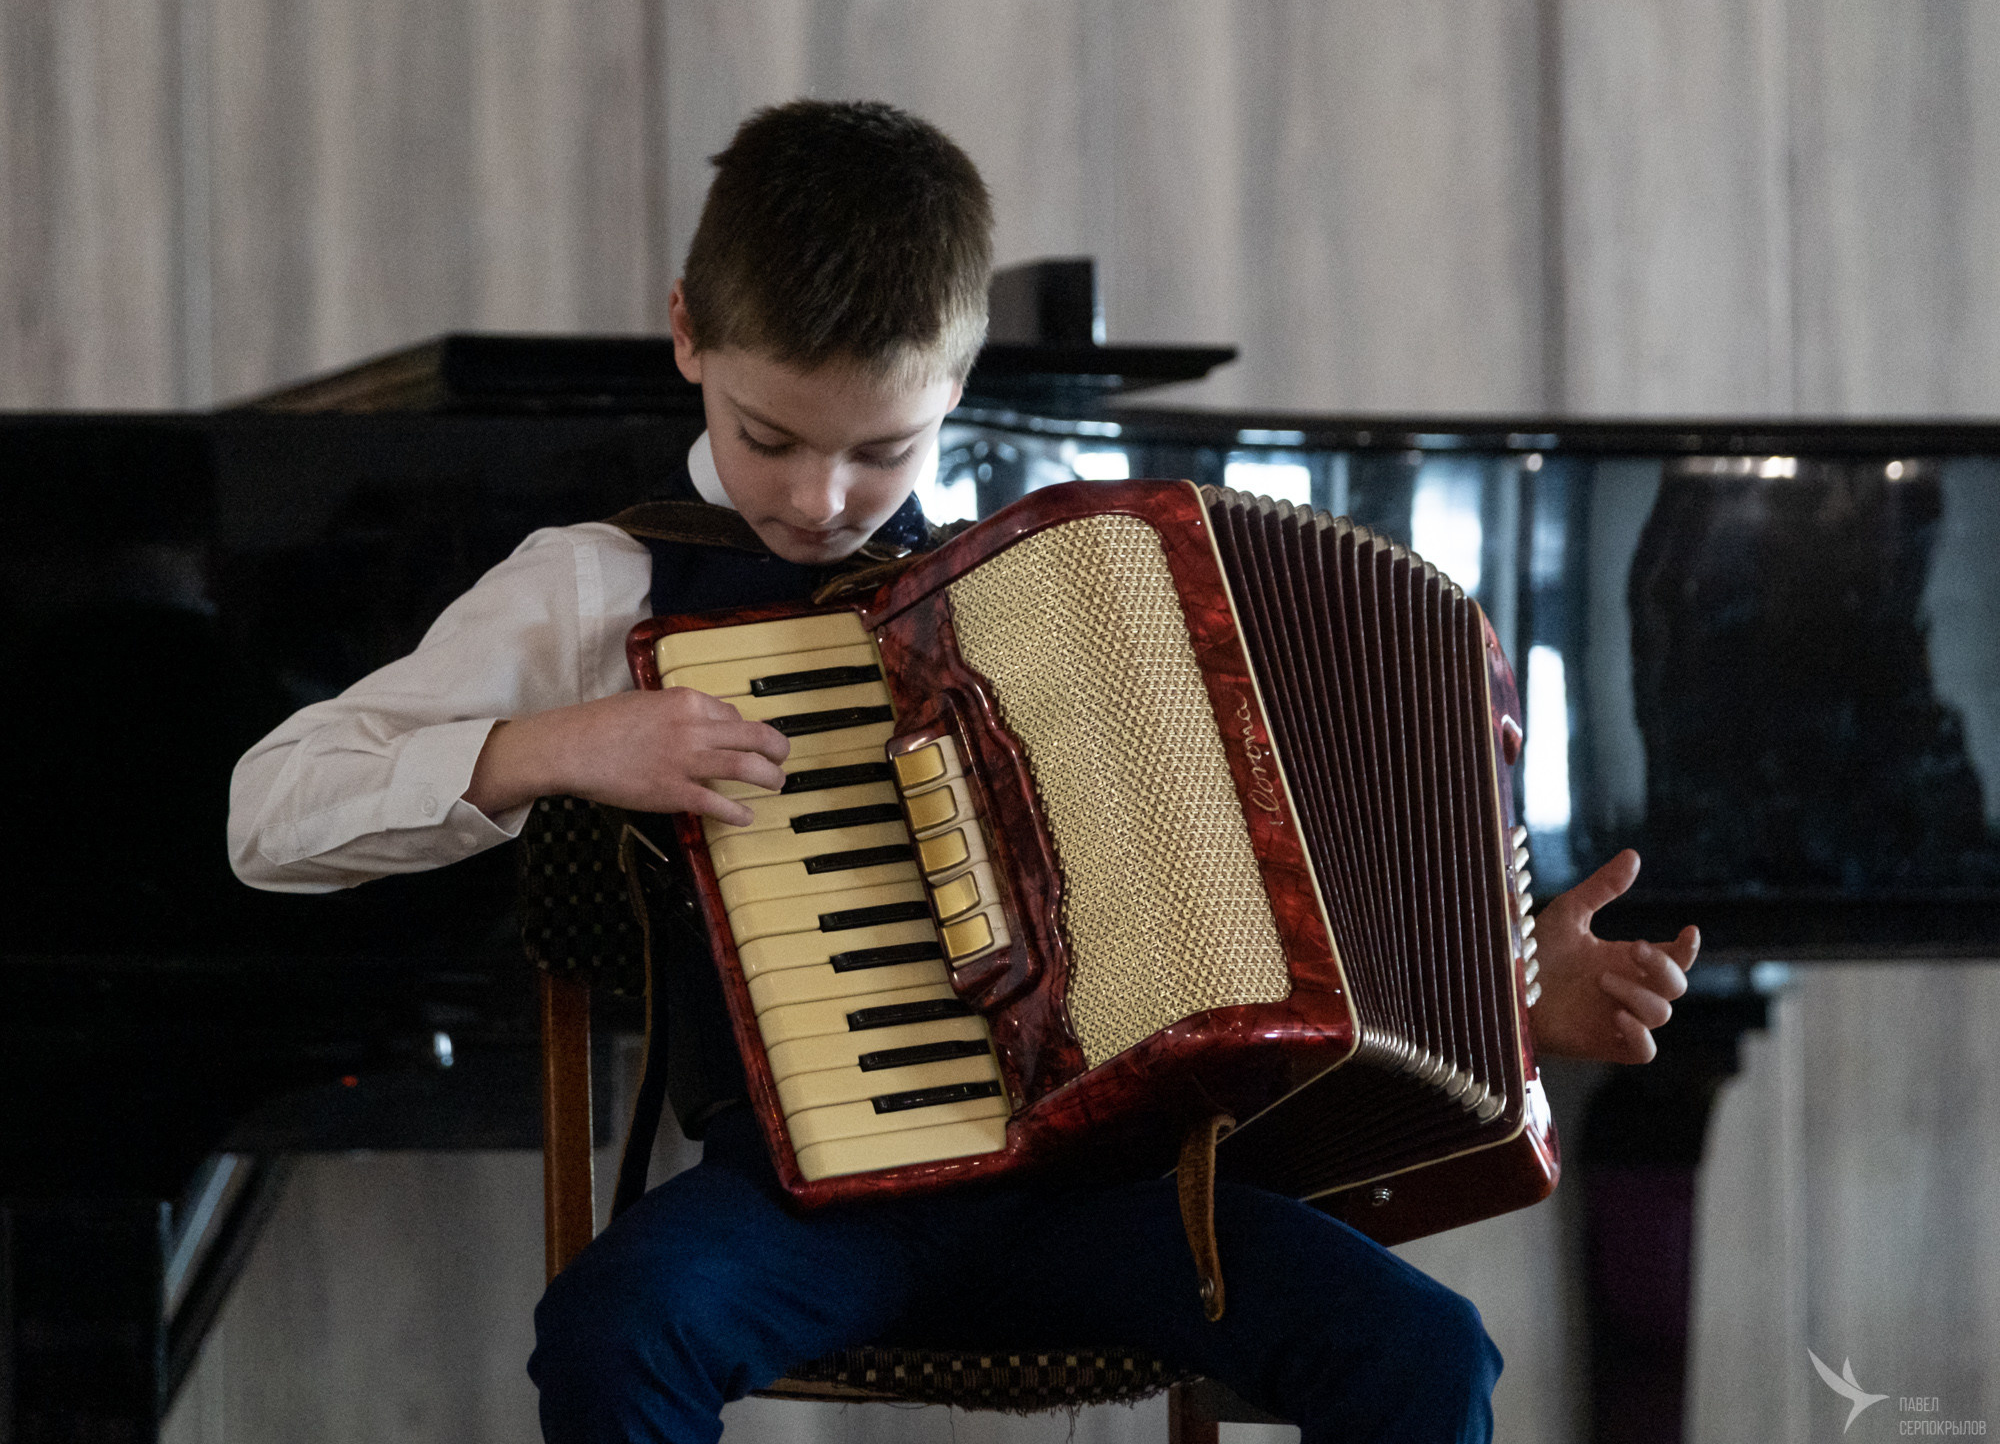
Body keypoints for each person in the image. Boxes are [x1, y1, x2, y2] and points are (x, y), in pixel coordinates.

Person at [229, 99, 1699, 1444]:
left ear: (960, 378)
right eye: (769, 437)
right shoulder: (594, 587)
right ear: (685, 334)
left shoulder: (1082, 592)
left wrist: (1508, 1010)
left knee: (1425, 1352)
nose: (818, 498)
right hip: (802, 1207)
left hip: (1109, 1198)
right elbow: (271, 814)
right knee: (616, 1337)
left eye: (883, 448)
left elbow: (1239, 947)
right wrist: (559, 746)